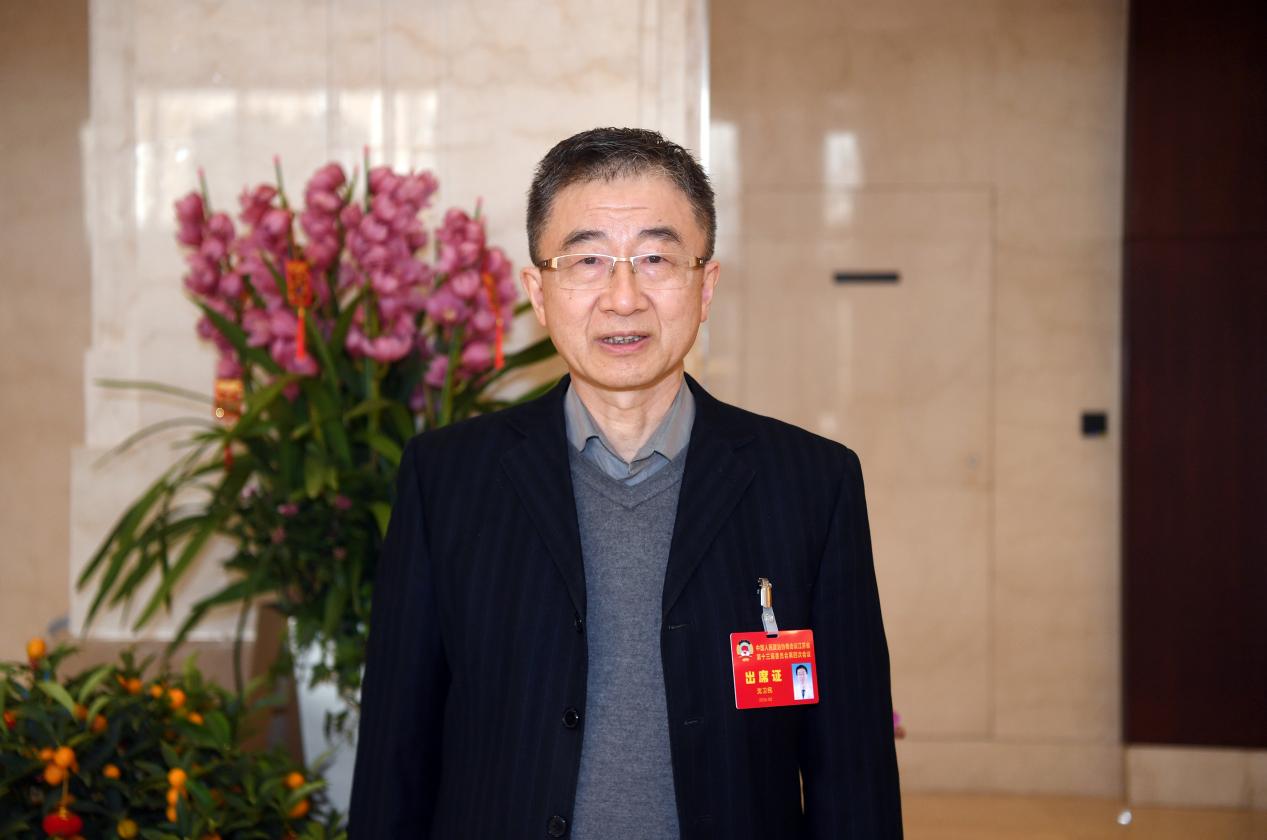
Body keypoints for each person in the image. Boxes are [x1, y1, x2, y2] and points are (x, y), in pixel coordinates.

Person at [350, 127, 902, 839]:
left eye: (655, 258)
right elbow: (395, 755)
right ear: (538, 292)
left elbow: (852, 771)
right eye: (586, 260)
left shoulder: (811, 485)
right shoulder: (446, 480)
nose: (623, 297)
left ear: (705, 286)